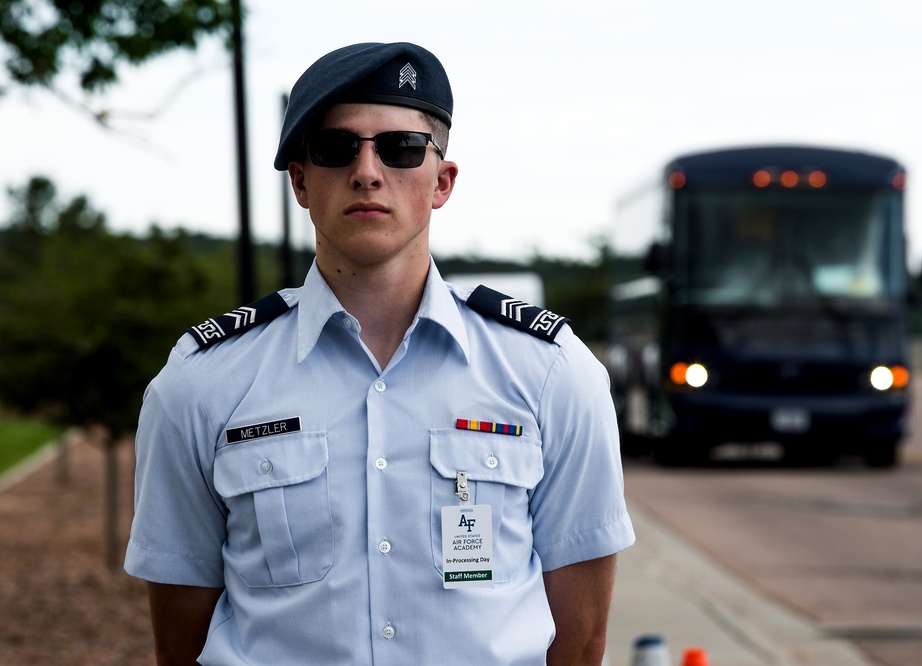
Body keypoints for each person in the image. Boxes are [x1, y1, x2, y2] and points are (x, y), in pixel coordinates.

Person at [125, 41, 634, 666]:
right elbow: (181, 640)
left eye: (400, 148)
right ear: (302, 181)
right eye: (336, 148)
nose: (368, 171)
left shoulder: (553, 375)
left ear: (441, 181)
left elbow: (580, 642)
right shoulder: (201, 385)